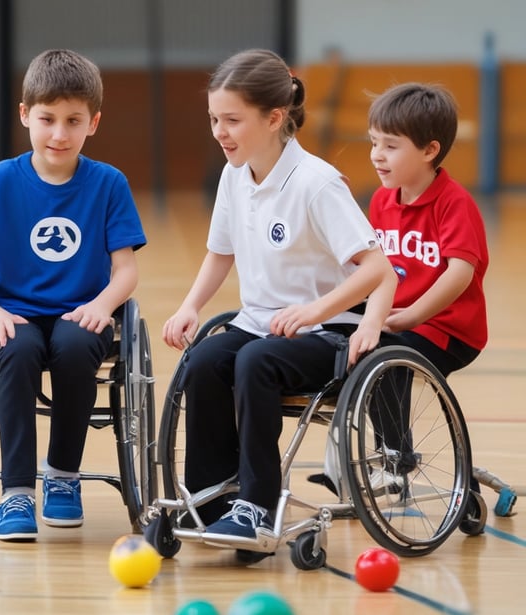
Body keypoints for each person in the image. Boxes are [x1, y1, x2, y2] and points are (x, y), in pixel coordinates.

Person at [161, 49, 396, 557]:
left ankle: (258, 506)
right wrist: (190, 306)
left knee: (254, 360)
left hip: (329, 333)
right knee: (202, 361)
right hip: (261, 326)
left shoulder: (317, 184)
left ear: (273, 118)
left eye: (231, 120)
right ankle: (213, 499)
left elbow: (379, 269)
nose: (219, 132)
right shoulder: (234, 174)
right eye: (213, 120)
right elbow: (219, 254)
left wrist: (313, 311)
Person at [0, 49, 147, 542]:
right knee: (15, 353)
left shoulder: (108, 183)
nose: (59, 133)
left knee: (78, 346)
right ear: (25, 115)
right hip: (12, 313)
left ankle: (63, 474)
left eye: (73, 121)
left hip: (79, 312)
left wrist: (103, 305)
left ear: (94, 123)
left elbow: (126, 271)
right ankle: (15, 491)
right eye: (47, 119)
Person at [309, 82, 489, 496]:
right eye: (374, 143)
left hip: (448, 330)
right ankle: (349, 458)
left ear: (429, 150)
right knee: (346, 343)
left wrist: (410, 316)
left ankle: (395, 462)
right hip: (395, 317)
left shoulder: (454, 203)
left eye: (390, 146)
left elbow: (459, 274)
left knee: (383, 353)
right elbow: (372, 270)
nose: (376, 155)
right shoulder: (381, 201)